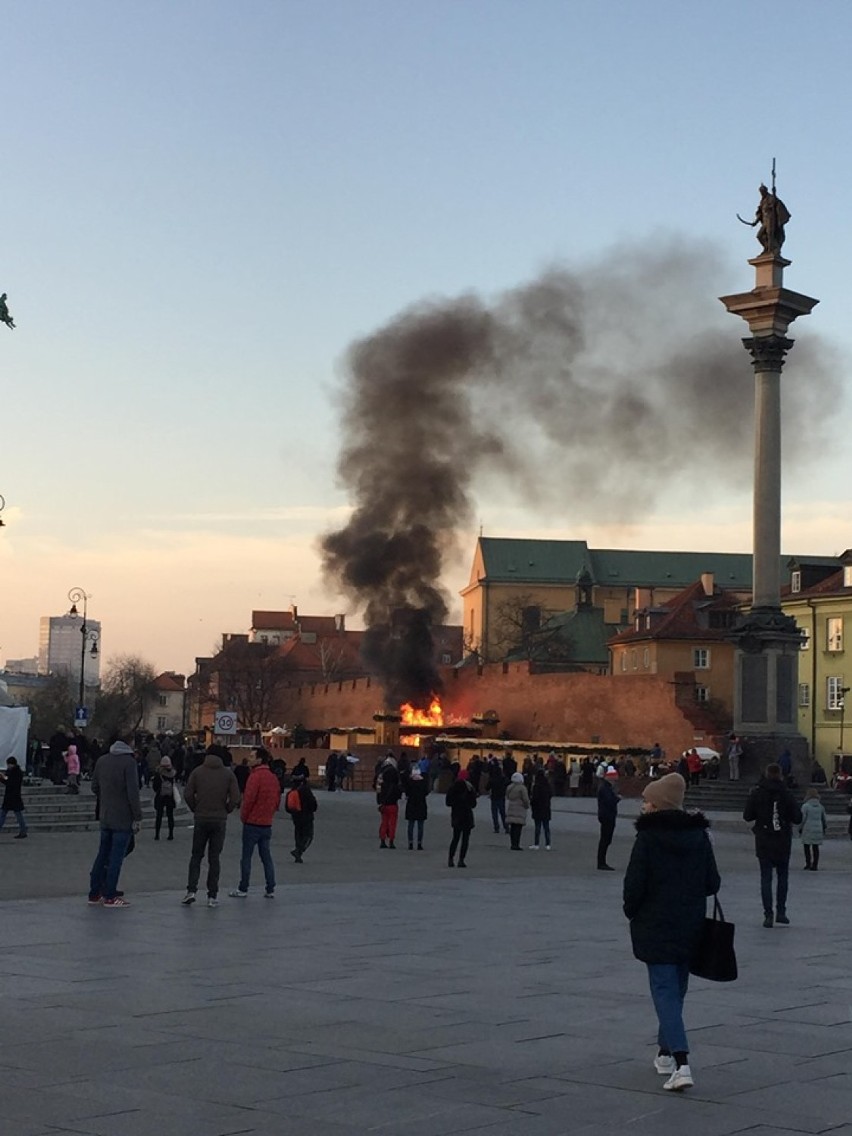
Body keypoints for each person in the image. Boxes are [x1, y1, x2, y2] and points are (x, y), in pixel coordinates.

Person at [623, 772, 721, 1094]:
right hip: (689, 925)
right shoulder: (699, 837)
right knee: (675, 991)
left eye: (647, 801)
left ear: (658, 805)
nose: (643, 806)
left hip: (655, 924)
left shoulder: (648, 839)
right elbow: (713, 883)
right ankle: (664, 1053)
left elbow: (634, 884)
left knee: (664, 992)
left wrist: (631, 909)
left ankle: (681, 1063)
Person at [743, 762, 803, 927]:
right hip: (783, 840)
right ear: (781, 775)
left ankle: (768, 914)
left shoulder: (757, 793)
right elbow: (797, 818)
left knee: (766, 878)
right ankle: (781, 911)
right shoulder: (787, 794)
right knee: (783, 877)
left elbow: (747, 816)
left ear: (766, 774)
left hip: (764, 839)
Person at [182, 746, 241, 908]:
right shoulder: (228, 774)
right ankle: (212, 895)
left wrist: (195, 807)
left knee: (196, 856)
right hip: (219, 819)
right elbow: (236, 797)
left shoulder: (197, 772)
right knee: (214, 858)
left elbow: (187, 794)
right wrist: (227, 809)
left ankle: (191, 891)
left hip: (201, 818)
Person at [88, 740, 142, 907]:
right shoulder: (129, 763)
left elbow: (94, 786)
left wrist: (106, 798)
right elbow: (133, 791)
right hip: (123, 817)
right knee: (116, 858)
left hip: (105, 815)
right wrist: (137, 816)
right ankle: (110, 895)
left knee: (102, 854)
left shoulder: (102, 760)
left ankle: (95, 893)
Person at [229, 749, 282, 898]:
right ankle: (270, 887)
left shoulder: (254, 777)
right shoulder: (273, 777)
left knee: (246, 856)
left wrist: (243, 817)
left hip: (252, 823)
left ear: (259, 760)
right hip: (267, 823)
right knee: (266, 857)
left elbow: (249, 800)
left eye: (252, 757)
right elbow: (277, 799)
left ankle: (243, 888)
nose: (249, 759)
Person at [284, 770, 318, 863]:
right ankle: (299, 851)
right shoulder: (306, 790)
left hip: (296, 817)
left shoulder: (291, 792)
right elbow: (313, 804)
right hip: (307, 817)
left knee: (298, 835)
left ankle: (298, 854)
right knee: (308, 836)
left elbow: (287, 808)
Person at [446, 768, 477, 867]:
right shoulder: (469, 788)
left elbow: (448, 802)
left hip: (456, 815)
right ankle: (461, 860)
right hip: (467, 815)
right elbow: (473, 804)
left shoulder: (452, 787)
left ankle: (450, 858)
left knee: (455, 838)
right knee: (465, 839)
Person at [798, 787, 827, 871]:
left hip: (808, 828)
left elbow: (802, 818)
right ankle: (815, 864)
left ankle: (808, 863)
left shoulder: (805, 806)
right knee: (815, 847)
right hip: (818, 827)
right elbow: (824, 818)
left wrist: (800, 828)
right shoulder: (821, 806)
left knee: (806, 846)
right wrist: (824, 827)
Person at [376, 757, 402, 849]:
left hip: (384, 804)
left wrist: (379, 802)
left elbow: (377, 790)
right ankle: (391, 841)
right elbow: (399, 793)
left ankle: (382, 840)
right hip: (393, 804)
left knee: (384, 822)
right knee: (392, 823)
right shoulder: (395, 784)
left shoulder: (382, 779)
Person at [596, 770, 619, 870]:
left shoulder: (605, 787)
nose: (615, 782)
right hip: (607, 816)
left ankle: (601, 861)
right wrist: (617, 798)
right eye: (614, 779)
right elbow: (609, 801)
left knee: (605, 839)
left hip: (606, 815)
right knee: (605, 840)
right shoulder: (605, 788)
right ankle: (601, 862)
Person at [0, 756, 28, 838]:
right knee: (16, 814)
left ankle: (23, 830)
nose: (8, 766)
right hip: (12, 796)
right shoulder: (14, 772)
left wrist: (2, 779)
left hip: (13, 796)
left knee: (6, 814)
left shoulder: (16, 773)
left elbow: (10, 783)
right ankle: (23, 830)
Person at [151, 756, 178, 840]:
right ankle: (171, 834)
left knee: (159, 815)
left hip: (160, 796)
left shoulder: (159, 773)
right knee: (170, 815)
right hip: (170, 796)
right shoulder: (173, 773)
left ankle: (157, 835)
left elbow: (155, 786)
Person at [404, 767, 429, 850]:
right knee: (420, 825)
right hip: (421, 805)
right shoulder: (423, 782)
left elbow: (406, 792)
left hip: (411, 805)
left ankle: (410, 843)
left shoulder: (409, 782)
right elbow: (426, 792)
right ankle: (419, 843)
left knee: (411, 824)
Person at [505, 771, 530, 851]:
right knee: (518, 828)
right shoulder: (522, 788)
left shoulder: (509, 787)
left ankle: (512, 843)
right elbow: (525, 799)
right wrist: (527, 806)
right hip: (519, 808)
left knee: (512, 827)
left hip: (511, 807)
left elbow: (507, 796)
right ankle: (516, 844)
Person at [529, 767, 553, 850]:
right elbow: (550, 795)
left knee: (537, 827)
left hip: (538, 809)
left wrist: (531, 803)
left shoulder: (536, 786)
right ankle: (548, 844)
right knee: (546, 827)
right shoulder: (547, 785)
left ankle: (536, 844)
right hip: (546, 808)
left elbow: (534, 798)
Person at [488, 760, 509, 834]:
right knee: (503, 812)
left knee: (494, 813)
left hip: (494, 796)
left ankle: (496, 827)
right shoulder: (503, 778)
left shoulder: (492, 779)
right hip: (501, 796)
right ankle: (506, 827)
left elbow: (487, 787)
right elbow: (507, 784)